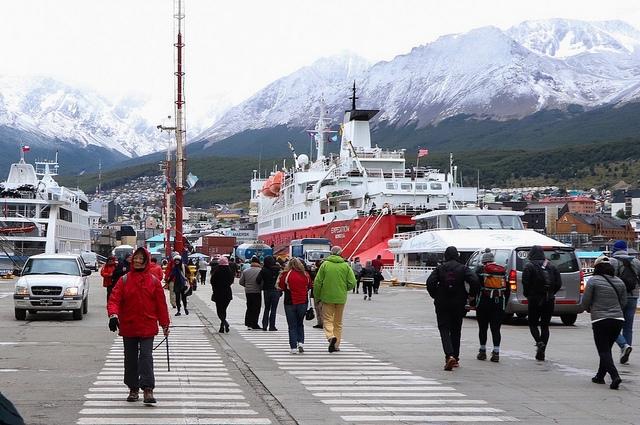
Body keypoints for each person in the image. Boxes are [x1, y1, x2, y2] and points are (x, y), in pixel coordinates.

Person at [107, 247, 170, 404]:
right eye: (136, 258)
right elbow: (114, 299)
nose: (137, 261)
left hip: (148, 325)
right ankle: (133, 388)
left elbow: (161, 305)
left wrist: (165, 324)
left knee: (146, 357)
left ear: (146, 261)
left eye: (141, 258)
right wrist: (113, 315)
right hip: (128, 325)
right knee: (130, 359)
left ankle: (148, 389)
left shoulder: (154, 281)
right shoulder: (124, 280)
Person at [426, 246, 479, 371]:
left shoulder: (440, 269)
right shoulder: (463, 268)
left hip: (442, 303)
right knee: (456, 329)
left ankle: (449, 355)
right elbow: (475, 280)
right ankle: (455, 357)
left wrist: (435, 295)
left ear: (445, 256)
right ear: (457, 256)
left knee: (444, 329)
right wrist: (471, 295)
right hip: (458, 303)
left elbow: (430, 282)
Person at [580, 256, 626, 389]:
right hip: (618, 320)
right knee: (607, 349)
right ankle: (600, 376)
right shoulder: (619, 281)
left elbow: (585, 302)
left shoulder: (593, 281)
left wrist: (589, 309)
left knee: (603, 350)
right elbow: (623, 302)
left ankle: (615, 376)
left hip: (600, 319)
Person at [522, 245, 562, 361]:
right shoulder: (551, 266)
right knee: (545, 325)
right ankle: (542, 352)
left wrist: (528, 294)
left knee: (533, 323)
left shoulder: (529, 266)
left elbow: (525, 282)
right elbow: (558, 283)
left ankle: (539, 342)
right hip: (549, 299)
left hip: (534, 299)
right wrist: (551, 293)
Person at [313, 246, 357, 353]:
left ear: (331, 253)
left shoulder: (325, 265)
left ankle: (330, 336)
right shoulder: (345, 266)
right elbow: (352, 282)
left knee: (327, 320)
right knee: (338, 322)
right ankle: (336, 345)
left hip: (327, 297)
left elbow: (318, 282)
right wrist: (344, 289)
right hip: (341, 298)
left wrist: (317, 297)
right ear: (341, 253)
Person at [474, 248, 510, 362]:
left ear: (484, 261)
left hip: (484, 302)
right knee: (496, 329)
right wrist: (504, 302)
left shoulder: (481, 270)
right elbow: (507, 289)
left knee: (483, 328)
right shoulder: (502, 270)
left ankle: (482, 351)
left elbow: (475, 285)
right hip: (498, 302)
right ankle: (496, 352)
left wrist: (473, 301)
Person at [609, 240, 640, 364]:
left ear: (615, 249)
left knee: (612, 325)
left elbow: (609, 279)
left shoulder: (612, 261)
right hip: (633, 296)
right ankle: (626, 351)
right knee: (628, 326)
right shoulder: (637, 262)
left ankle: (623, 346)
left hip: (617, 297)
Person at [278, 257, 313, 354]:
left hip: (290, 302)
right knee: (300, 323)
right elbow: (310, 286)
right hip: (303, 302)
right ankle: (301, 342)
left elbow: (281, 286)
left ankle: (293, 347)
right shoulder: (306, 274)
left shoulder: (286, 274)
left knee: (292, 326)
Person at [210, 256, 234, 333]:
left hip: (218, 293)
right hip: (227, 293)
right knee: (224, 310)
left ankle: (224, 323)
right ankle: (223, 324)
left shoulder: (216, 271)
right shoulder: (229, 271)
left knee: (219, 310)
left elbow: (212, 281)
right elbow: (231, 281)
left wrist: (215, 288)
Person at [258, 256, 282, 331]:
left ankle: (264, 325)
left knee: (267, 308)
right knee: (274, 309)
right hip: (276, 290)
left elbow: (258, 280)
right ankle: (272, 326)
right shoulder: (278, 270)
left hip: (267, 290)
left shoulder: (264, 270)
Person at [239, 256, 263, 330]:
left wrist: (247, 286)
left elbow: (241, 282)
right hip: (257, 291)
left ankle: (248, 323)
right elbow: (262, 282)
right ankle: (254, 323)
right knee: (256, 308)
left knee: (249, 307)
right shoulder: (260, 270)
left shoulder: (246, 271)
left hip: (248, 291)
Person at [311, 260, 324, 329]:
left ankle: (320, 322)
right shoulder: (319, 272)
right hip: (321, 293)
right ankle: (321, 322)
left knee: (318, 309)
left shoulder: (314, 272)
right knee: (320, 309)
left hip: (316, 293)